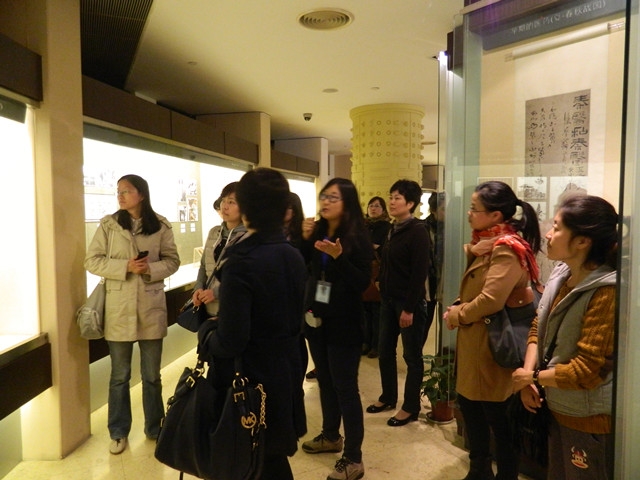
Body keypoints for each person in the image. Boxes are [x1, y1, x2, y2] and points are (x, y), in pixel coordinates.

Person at [197, 168, 308, 479]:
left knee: (251, 457)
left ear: (246, 207)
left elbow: (232, 339)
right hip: (285, 368)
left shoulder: (242, 261)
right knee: (272, 456)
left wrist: (207, 333)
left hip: (250, 378)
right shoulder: (291, 254)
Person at [512, 195, 617, 480]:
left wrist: (532, 378)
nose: (548, 234)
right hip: (556, 405)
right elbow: (540, 325)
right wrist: (528, 375)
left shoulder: (606, 291)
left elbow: (587, 371)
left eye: (557, 228)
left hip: (586, 417)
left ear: (582, 241)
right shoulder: (562, 273)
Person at [444, 180, 541, 480]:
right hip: (476, 344)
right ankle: (479, 470)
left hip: (492, 347)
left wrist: (458, 315)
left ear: (496, 215)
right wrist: (458, 305)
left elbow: (490, 300)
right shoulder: (485, 244)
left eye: (474, 209)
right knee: (471, 410)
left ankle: (505, 475)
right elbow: (475, 289)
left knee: (498, 421)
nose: (469, 214)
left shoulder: (507, 249)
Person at [84, 174, 180, 455]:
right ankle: (118, 431)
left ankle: (155, 427)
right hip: (119, 308)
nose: (120, 196)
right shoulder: (109, 225)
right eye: (118, 191)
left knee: (151, 376)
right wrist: (125, 266)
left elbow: (173, 261)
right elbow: (92, 261)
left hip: (150, 307)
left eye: (126, 191)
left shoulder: (160, 225)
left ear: (142, 194)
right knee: (119, 376)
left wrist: (149, 269)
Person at [300, 178, 373, 480]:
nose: (326, 202)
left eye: (334, 197)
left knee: (345, 388)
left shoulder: (358, 236)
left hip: (345, 323)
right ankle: (331, 436)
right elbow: (305, 267)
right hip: (317, 319)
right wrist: (302, 239)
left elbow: (362, 283)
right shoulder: (317, 230)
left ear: (347, 203)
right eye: (324, 196)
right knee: (326, 382)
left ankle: (354, 459)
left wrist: (339, 258)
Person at [367, 179, 432, 427]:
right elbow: (388, 261)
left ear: (411, 203)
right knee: (385, 351)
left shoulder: (418, 231)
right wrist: (380, 281)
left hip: (408, 304)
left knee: (412, 357)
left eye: (397, 198)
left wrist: (409, 308)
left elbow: (419, 273)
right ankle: (388, 397)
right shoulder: (393, 229)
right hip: (388, 300)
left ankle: (410, 407)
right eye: (391, 197)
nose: (392, 202)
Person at [191, 182, 247, 318]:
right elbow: (203, 265)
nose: (224, 206)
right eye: (223, 200)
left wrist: (216, 292)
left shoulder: (248, 237)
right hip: (207, 307)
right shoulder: (214, 232)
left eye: (231, 202)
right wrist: (198, 287)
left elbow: (245, 277)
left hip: (234, 309)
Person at [362, 196, 391, 358]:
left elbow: (387, 250)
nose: (373, 208)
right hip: (364, 269)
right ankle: (365, 342)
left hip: (378, 270)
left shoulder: (387, 227)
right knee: (364, 310)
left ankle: (376, 345)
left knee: (377, 311)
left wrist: (373, 246)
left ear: (383, 210)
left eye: (377, 206)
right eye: (371, 205)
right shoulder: (363, 226)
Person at [424, 192, 445, 346]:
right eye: (443, 209)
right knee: (424, 324)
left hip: (445, 280)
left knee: (446, 325)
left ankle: (442, 356)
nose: (447, 213)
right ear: (433, 210)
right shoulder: (423, 228)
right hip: (428, 282)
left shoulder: (454, 229)